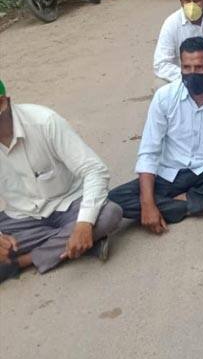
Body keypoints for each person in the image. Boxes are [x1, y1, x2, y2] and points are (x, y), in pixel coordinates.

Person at [109, 38, 203, 229]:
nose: (192, 74)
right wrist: (147, 205)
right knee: (115, 200)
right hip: (168, 173)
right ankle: (198, 206)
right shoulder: (164, 97)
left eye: (199, 68)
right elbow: (149, 152)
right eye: (186, 68)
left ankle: (175, 204)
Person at [0, 80, 122, 279]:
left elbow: (94, 170)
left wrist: (83, 223)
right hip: (21, 217)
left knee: (109, 214)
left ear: (4, 102)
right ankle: (83, 244)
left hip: (68, 205)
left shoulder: (44, 121)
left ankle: (23, 261)